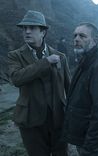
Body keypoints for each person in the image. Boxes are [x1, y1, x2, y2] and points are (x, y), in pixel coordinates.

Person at [7, 10, 71, 156]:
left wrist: (73, 114)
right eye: (24, 28)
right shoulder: (15, 56)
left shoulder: (60, 56)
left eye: (32, 28)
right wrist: (45, 62)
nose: (27, 32)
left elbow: (70, 88)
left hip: (58, 119)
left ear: (43, 32)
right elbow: (16, 78)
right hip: (31, 121)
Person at [63, 22, 98, 156]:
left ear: (94, 40)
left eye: (82, 36)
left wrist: (91, 146)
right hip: (83, 132)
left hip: (90, 139)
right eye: (75, 35)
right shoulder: (86, 60)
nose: (76, 39)